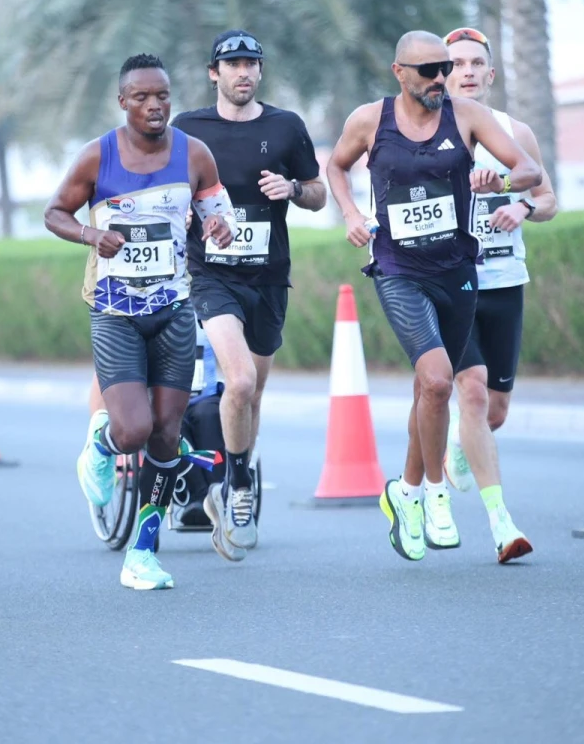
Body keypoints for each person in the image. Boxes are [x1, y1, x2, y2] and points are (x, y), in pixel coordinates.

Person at [325, 30, 542, 563]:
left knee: (431, 389)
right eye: (428, 71)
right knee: (441, 379)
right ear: (399, 72)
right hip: (399, 270)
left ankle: (405, 490)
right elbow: (335, 166)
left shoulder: (466, 115)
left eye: (444, 69)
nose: (439, 79)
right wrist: (352, 214)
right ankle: (434, 495)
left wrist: (501, 183)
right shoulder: (368, 120)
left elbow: (532, 171)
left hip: (457, 271)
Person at [45, 53, 234, 590]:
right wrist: (89, 234)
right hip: (115, 312)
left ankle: (143, 551)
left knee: (167, 438)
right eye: (143, 97)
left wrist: (219, 226)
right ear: (123, 101)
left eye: (163, 97)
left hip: (174, 309)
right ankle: (101, 445)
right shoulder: (96, 158)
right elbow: (54, 212)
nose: (155, 106)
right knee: (133, 430)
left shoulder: (195, 154)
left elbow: (215, 209)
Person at [397, 27, 558, 562]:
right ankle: (499, 521)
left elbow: (547, 195)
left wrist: (522, 205)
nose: (463, 72)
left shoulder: (515, 132)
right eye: (454, 63)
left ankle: (445, 447)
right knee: (466, 390)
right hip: (448, 282)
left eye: (474, 64)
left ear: (491, 74)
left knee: (494, 410)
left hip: (504, 280)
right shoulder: (423, 129)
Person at [174, 29, 326, 560]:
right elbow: (169, 195)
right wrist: (196, 214)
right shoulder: (188, 129)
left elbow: (318, 193)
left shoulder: (286, 127)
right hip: (212, 275)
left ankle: (235, 474)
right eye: (232, 64)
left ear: (260, 71)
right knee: (236, 381)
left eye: (251, 63)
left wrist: (293, 190)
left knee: (253, 395)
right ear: (214, 73)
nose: (243, 72)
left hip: (268, 277)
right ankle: (237, 486)